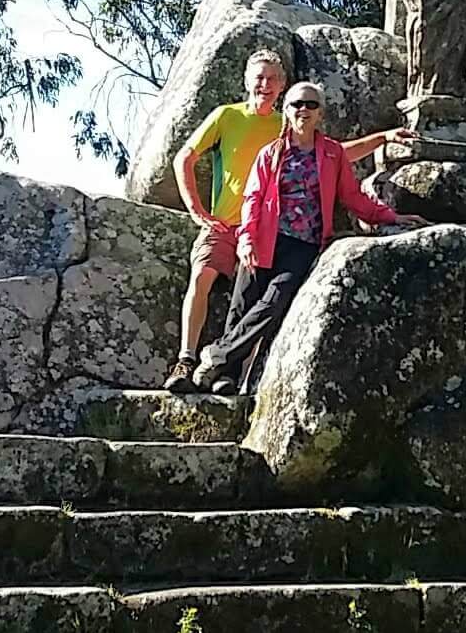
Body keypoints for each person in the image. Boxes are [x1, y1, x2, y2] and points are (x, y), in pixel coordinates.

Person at [165, 51, 408, 392]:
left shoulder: (330, 153)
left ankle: (216, 357)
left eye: (310, 104)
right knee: (238, 302)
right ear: (286, 108)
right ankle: (217, 374)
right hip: (258, 234)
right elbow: (250, 195)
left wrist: (392, 216)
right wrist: (238, 233)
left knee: (274, 300)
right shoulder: (266, 147)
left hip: (302, 243)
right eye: (297, 105)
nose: (303, 110)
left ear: (320, 112)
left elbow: (352, 195)